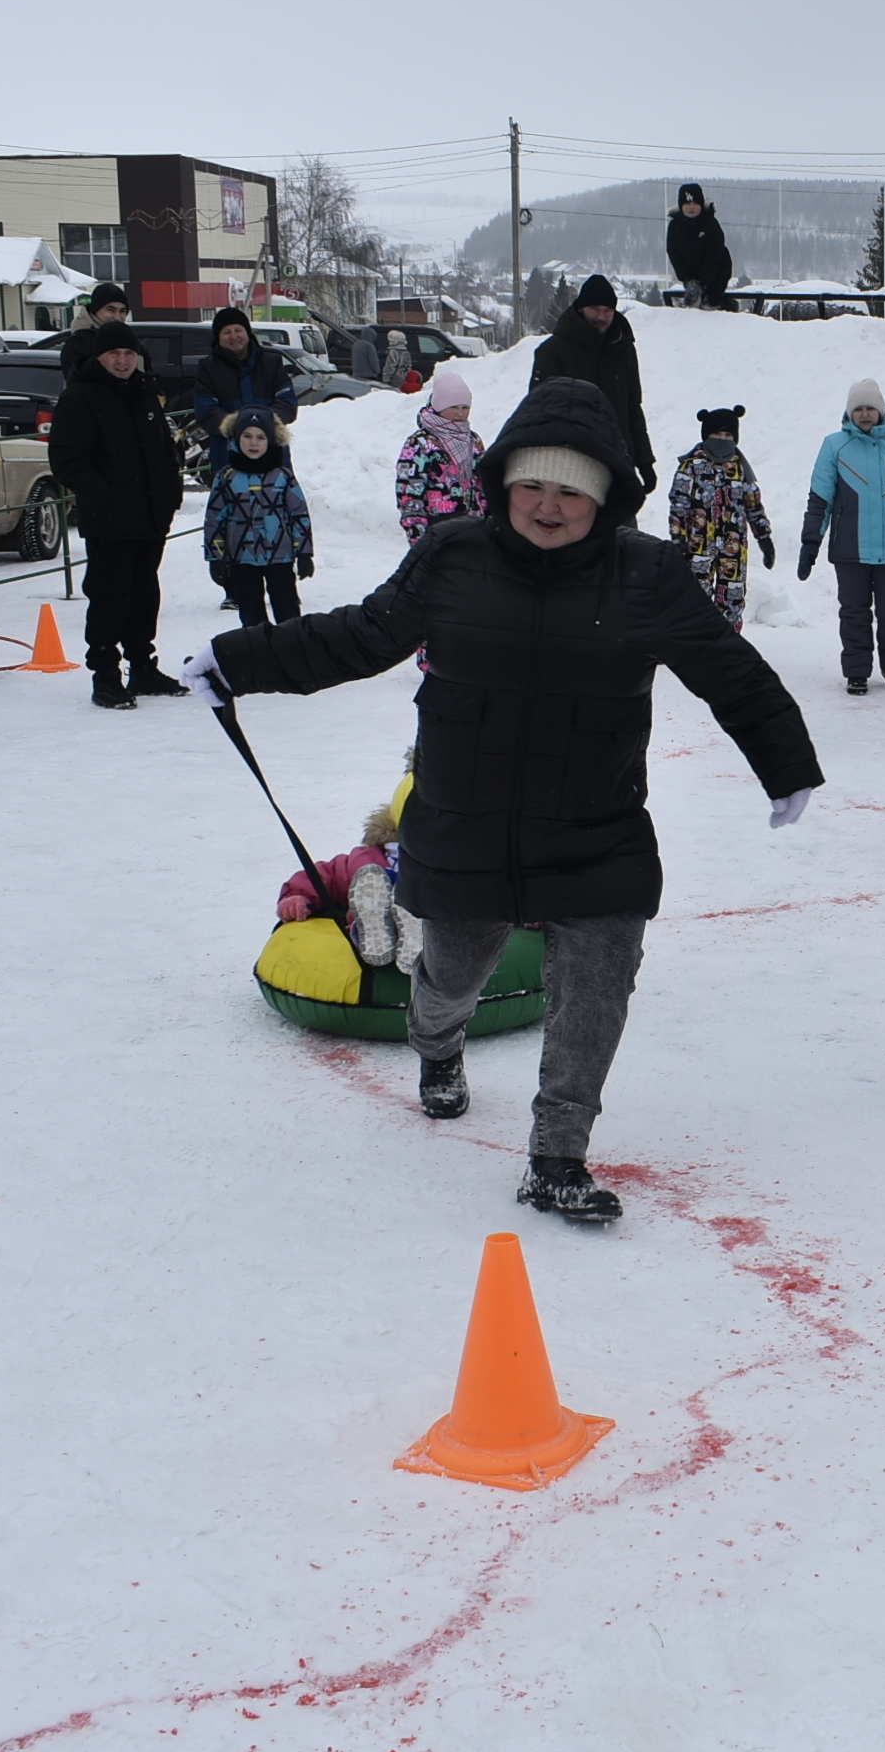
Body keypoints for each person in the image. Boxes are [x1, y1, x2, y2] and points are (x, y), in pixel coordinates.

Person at [184, 376, 823, 1224]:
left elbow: (727, 668)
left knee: (598, 989)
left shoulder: (647, 574)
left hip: (596, 826)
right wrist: (239, 660)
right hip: (466, 823)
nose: (549, 505)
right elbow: (360, 637)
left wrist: (785, 762)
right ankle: (436, 1043)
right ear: (504, 482)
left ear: (605, 496)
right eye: (534, 484)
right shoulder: (454, 556)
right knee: (450, 977)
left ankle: (558, 1154)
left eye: (572, 490)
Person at [48, 319, 187, 709]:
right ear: (100, 357)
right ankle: (106, 675)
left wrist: (170, 493)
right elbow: (67, 460)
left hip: (150, 516)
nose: (123, 361)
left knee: (145, 595)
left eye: (129, 353)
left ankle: (142, 666)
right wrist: (104, 498)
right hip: (109, 520)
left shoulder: (144, 393)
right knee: (109, 598)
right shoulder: (80, 397)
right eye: (114, 354)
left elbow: (166, 449)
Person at [802, 377, 885, 691]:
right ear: (850, 412)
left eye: (870, 408)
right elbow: (820, 499)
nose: (864, 414)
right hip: (850, 550)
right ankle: (857, 671)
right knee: (854, 614)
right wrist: (810, 543)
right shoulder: (834, 445)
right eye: (858, 408)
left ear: (881, 410)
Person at [274, 779, 420, 974]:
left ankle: (414, 932)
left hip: (434, 933)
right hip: (378, 931)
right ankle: (374, 928)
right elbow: (326, 876)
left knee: (424, 903)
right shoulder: (367, 862)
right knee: (373, 882)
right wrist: (297, 896)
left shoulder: (366, 859)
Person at [529, 275, 655, 499]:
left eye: (608, 310)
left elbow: (632, 407)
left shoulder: (623, 348)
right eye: (595, 309)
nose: (601, 317)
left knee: (622, 522)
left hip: (618, 461)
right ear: (580, 308)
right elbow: (540, 413)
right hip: (573, 467)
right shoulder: (553, 351)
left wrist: (644, 461)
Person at [204, 406, 314, 629]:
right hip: (241, 558)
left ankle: (291, 648)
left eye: (260, 437)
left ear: (271, 440)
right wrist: (216, 558)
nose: (253, 443)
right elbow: (215, 519)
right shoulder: (226, 478)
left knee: (288, 613)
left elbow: (298, 514)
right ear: (236, 437)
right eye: (247, 436)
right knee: (251, 617)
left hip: (280, 558)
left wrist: (304, 553)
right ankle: (257, 649)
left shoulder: (283, 476)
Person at [670, 404, 775, 630]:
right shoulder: (691, 466)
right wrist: (678, 538)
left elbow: (753, 505)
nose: (722, 440)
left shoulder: (740, 467)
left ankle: (728, 645)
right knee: (696, 600)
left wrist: (764, 537)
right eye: (717, 434)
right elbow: (679, 504)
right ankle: (695, 644)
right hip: (697, 547)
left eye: (728, 435)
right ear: (706, 435)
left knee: (731, 602)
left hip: (733, 547)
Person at [189, 307, 300, 467]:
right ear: (218, 338)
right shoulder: (208, 368)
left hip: (272, 453)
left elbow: (287, 403)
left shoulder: (271, 362)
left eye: (238, 330)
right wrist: (240, 427)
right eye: (227, 332)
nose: (234, 336)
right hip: (228, 455)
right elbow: (206, 411)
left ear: (247, 332)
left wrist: (261, 425)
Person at [395, 366, 482, 540]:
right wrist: (419, 538)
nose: (460, 413)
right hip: (437, 530)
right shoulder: (420, 443)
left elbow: (482, 483)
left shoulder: (473, 441)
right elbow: (409, 493)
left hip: (473, 529)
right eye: (453, 407)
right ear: (439, 406)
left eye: (465, 407)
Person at [667, 183, 734, 307]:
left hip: (716, 274)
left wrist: (704, 281)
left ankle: (717, 303)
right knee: (694, 304)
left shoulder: (710, 224)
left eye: (695, 203)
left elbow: (715, 252)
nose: (691, 207)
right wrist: (687, 279)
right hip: (690, 275)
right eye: (687, 204)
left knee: (711, 302)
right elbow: (674, 254)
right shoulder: (675, 227)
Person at [56, 282, 133, 384]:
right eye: (111, 310)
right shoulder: (79, 342)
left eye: (122, 311)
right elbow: (80, 383)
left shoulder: (129, 339)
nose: (118, 317)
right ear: (95, 310)